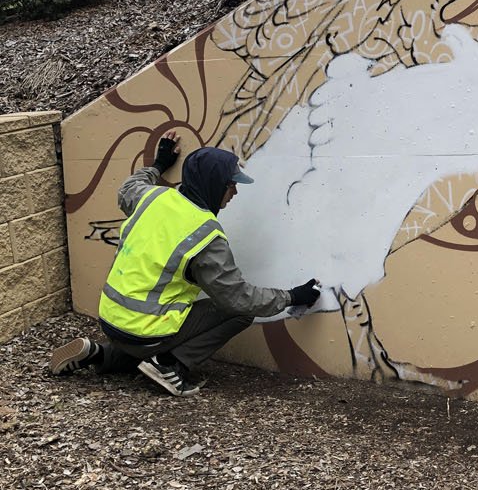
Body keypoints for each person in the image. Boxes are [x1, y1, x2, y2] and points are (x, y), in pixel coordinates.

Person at [49, 130, 321, 396]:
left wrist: (159, 164)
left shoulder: (152, 197)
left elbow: (128, 188)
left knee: (141, 337)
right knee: (239, 312)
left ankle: (100, 354)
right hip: (145, 332)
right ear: (213, 185)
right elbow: (239, 299)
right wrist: (292, 296)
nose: (235, 192)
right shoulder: (205, 235)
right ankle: (170, 365)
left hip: (110, 319)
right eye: (230, 184)